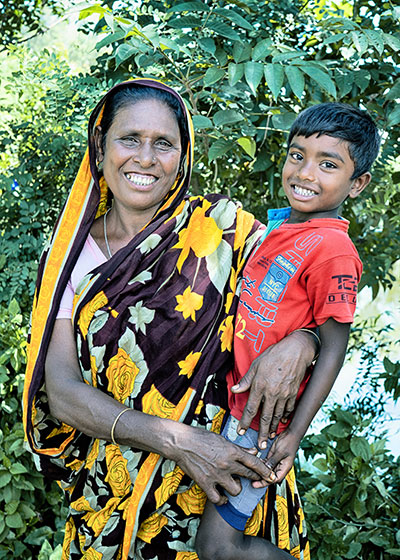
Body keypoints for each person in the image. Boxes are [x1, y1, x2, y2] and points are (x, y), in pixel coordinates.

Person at [22, 79, 317, 560]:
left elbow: (316, 294)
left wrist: (303, 340)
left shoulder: (226, 233)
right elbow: (62, 392)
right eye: (129, 139)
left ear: (183, 156)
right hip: (114, 494)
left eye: (163, 144)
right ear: (100, 148)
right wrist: (179, 441)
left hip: (227, 487)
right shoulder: (70, 256)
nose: (145, 157)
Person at [196, 102, 381, 560]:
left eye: (329, 164)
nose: (305, 172)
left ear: (357, 184)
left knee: (217, 547)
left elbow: (334, 349)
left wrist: (293, 434)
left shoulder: (334, 248)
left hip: (262, 426)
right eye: (297, 155)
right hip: (236, 410)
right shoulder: (280, 229)